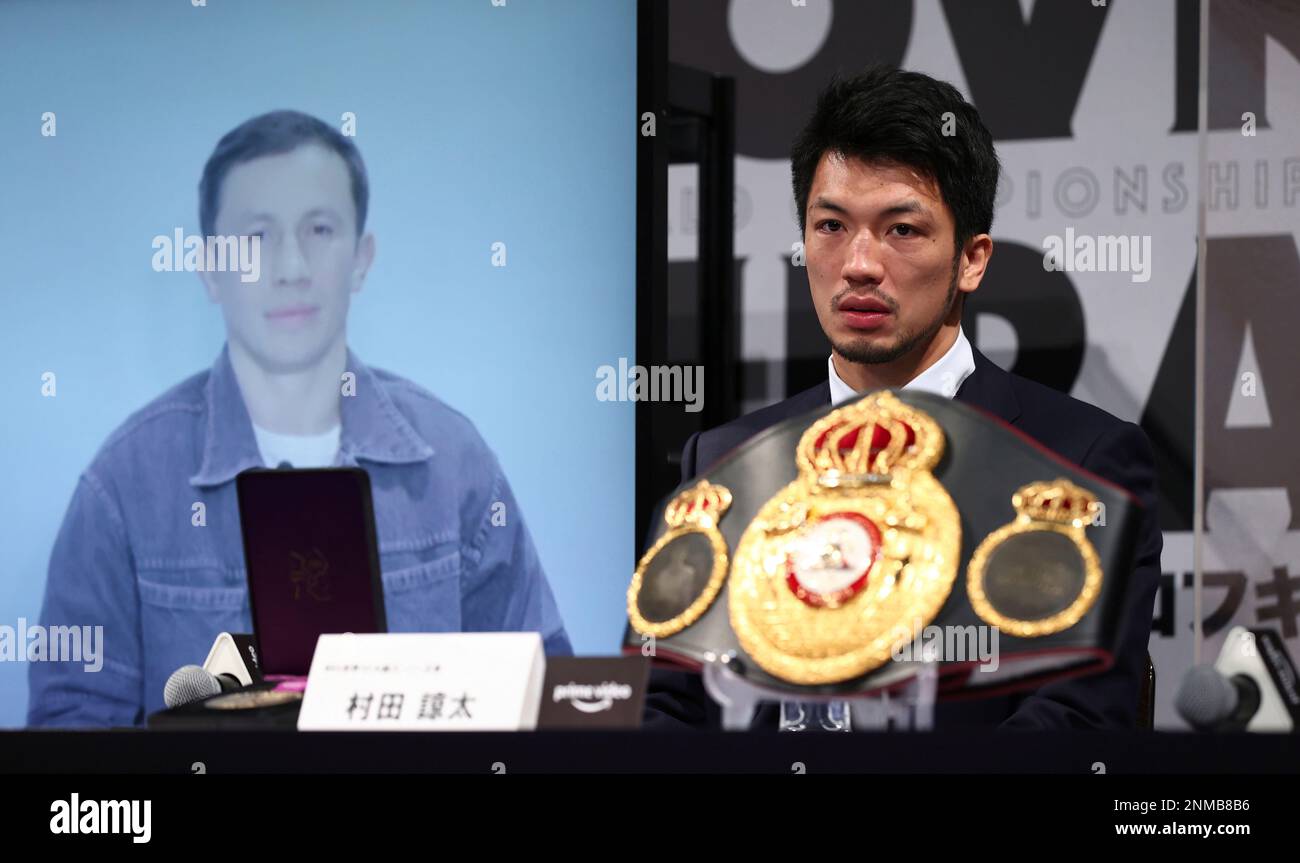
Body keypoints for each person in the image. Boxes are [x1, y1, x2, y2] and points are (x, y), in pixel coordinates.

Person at [645, 67, 1161, 731]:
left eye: (901, 230)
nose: (859, 263)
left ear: (972, 260)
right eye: (831, 225)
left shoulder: (1082, 460)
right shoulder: (722, 460)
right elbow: (666, 708)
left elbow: (1073, 716)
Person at [28, 110, 571, 727]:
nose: (290, 267)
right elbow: (71, 730)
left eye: (319, 229)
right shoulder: (125, 482)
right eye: (256, 238)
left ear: (361, 259)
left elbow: (542, 699)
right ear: (210, 269)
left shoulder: (452, 461)